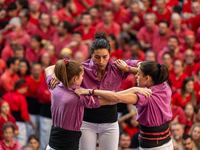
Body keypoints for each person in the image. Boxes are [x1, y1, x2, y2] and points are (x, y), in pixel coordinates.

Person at [50, 31, 142, 150]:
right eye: (97, 57)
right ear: (91, 54)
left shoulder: (118, 67)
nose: (101, 61)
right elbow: (62, 68)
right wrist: (58, 75)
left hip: (110, 121)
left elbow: (147, 69)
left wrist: (127, 68)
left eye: (105, 57)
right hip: (87, 121)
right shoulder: (82, 68)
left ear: (110, 54)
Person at [75, 60, 173, 149]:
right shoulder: (164, 84)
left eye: (138, 74)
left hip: (153, 146)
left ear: (147, 78)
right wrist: (127, 69)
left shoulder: (146, 95)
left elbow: (117, 97)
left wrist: (91, 91)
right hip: (167, 141)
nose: (136, 76)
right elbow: (151, 71)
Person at [45, 59, 115, 150]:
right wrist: (92, 91)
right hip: (67, 146)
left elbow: (48, 69)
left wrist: (57, 74)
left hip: (52, 145)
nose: (82, 78)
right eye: (82, 76)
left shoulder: (54, 86)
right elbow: (110, 100)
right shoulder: (78, 96)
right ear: (75, 79)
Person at [2, 79, 35, 145]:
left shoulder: (7, 95)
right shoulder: (21, 98)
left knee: (8, 142)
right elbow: (24, 115)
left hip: (7, 122)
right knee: (20, 142)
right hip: (19, 124)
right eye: (26, 88)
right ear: (22, 87)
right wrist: (32, 123)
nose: (26, 90)